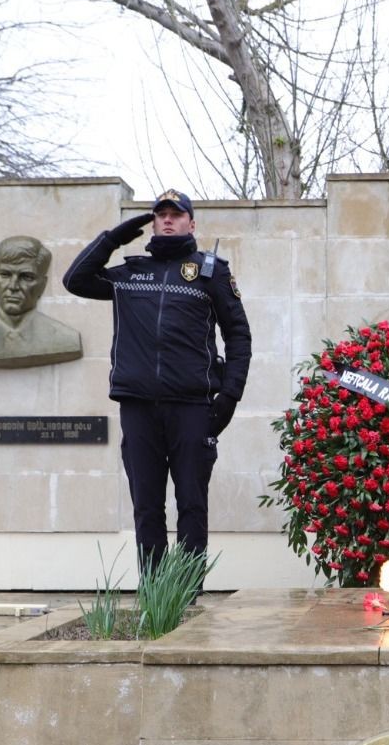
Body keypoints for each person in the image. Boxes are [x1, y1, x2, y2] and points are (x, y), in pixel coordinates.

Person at [63, 190, 251, 576]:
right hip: (138, 406)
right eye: (160, 214)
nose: (167, 220)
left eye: (176, 215)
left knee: (192, 504)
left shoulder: (210, 272)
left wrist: (229, 396)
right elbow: (75, 280)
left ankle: (186, 595)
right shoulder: (130, 274)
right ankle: (154, 595)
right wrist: (115, 237)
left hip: (192, 408)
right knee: (146, 506)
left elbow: (239, 336)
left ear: (191, 224)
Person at [0, 236, 83, 368]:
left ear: (43, 285)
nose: (13, 286)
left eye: (26, 277)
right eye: (5, 274)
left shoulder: (64, 339)